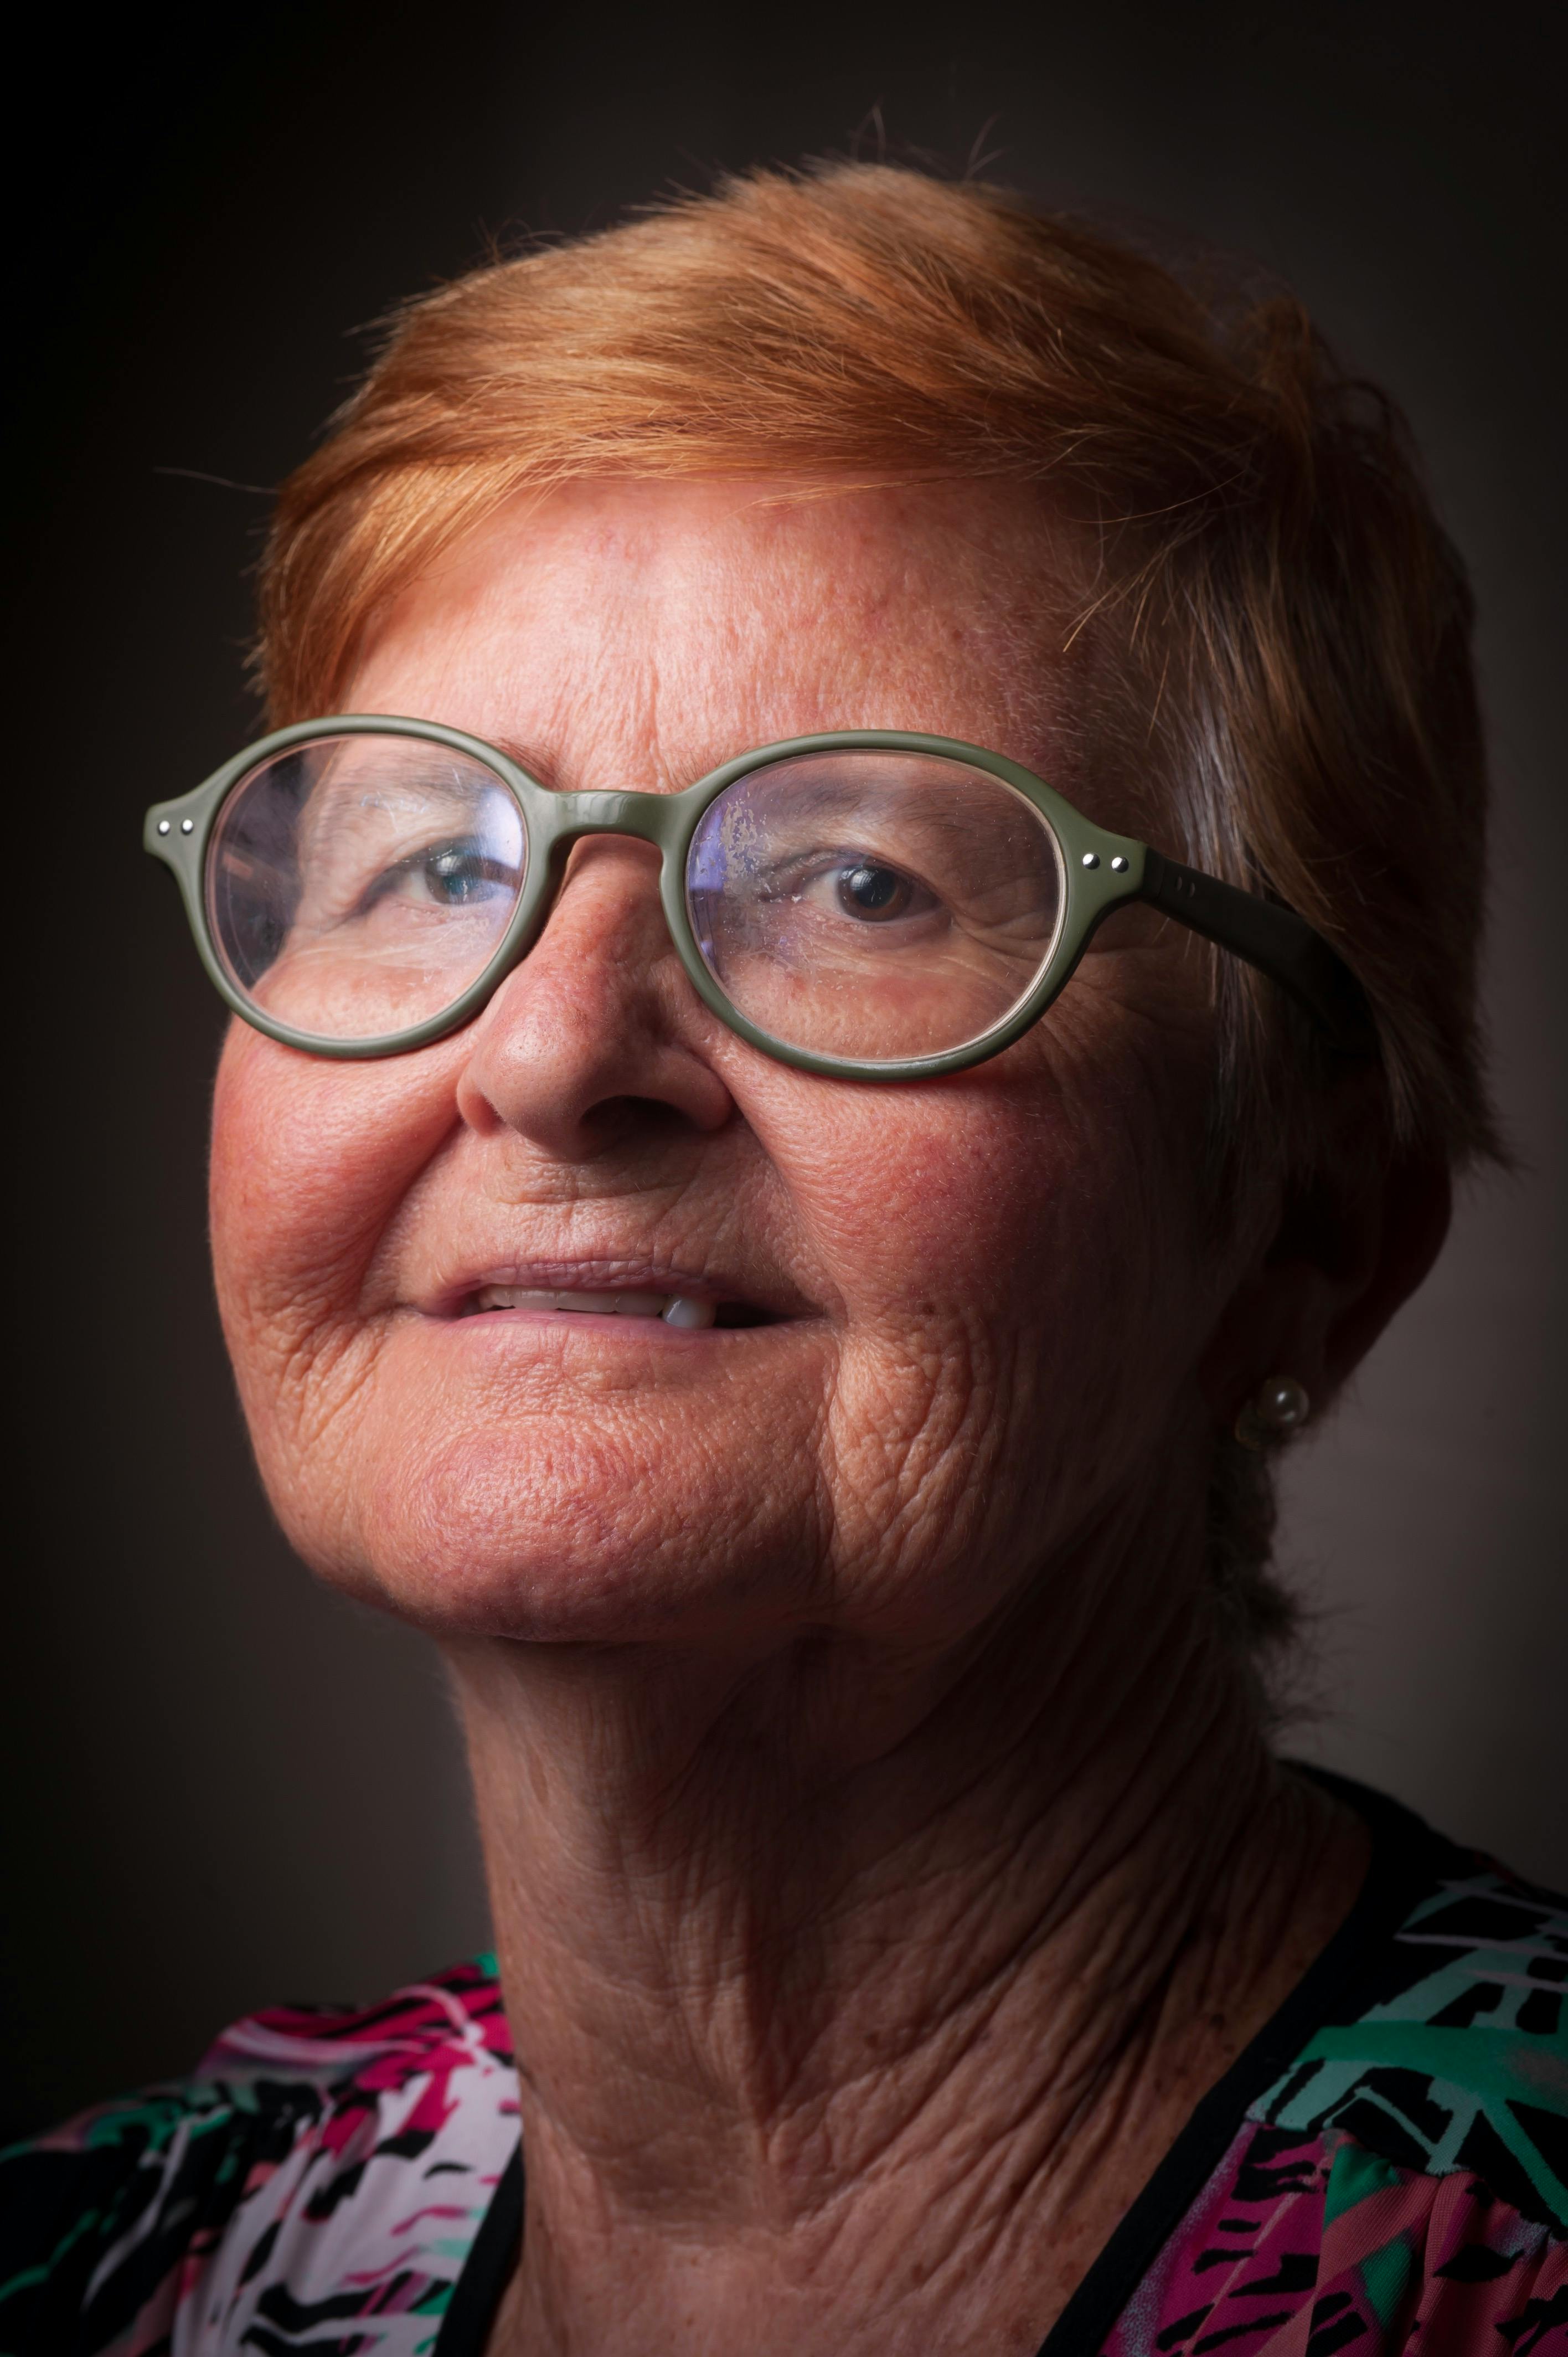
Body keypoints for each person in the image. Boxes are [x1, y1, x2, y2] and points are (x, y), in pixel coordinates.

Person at [3, 163, 1562, 2357]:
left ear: (1311, 1232)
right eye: (432, 863)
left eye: (859, 885)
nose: (552, 1053)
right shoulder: (105, 2270)